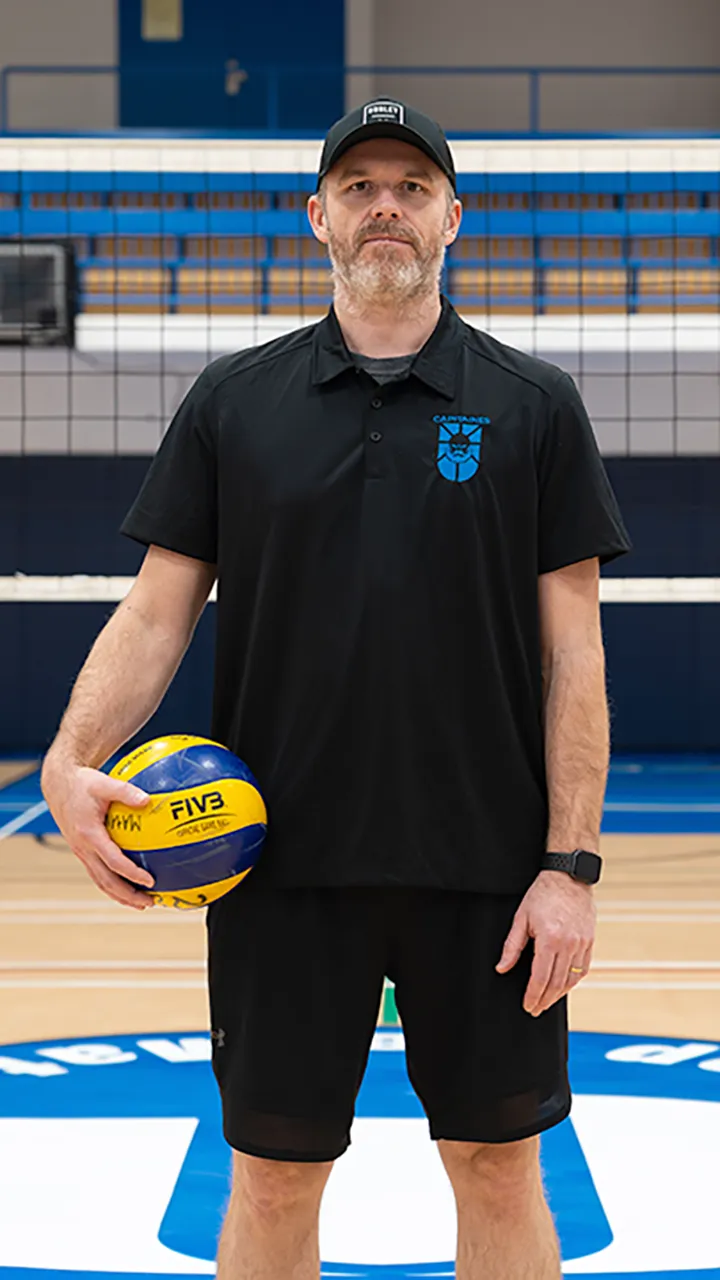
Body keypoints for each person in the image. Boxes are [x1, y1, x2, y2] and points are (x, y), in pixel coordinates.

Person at [41, 98, 631, 1280]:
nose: (385, 205)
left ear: (454, 217)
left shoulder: (533, 405)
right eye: (359, 184)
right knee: (269, 1178)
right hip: (281, 870)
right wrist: (68, 756)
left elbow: (575, 652)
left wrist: (568, 866)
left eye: (411, 186)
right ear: (317, 217)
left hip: (488, 873)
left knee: (500, 1167)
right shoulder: (232, 400)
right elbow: (158, 609)